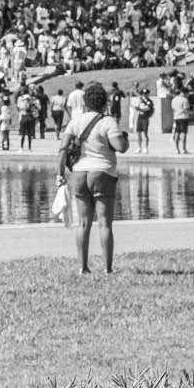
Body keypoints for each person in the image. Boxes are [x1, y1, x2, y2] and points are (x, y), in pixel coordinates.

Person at [62, 82, 129, 275]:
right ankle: (107, 268)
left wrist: (60, 174)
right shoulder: (107, 122)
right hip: (102, 172)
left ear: (86, 102)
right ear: (104, 102)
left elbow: (63, 148)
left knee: (83, 223)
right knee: (105, 223)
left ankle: (83, 267)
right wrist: (125, 138)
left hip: (80, 173)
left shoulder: (76, 121)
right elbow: (120, 146)